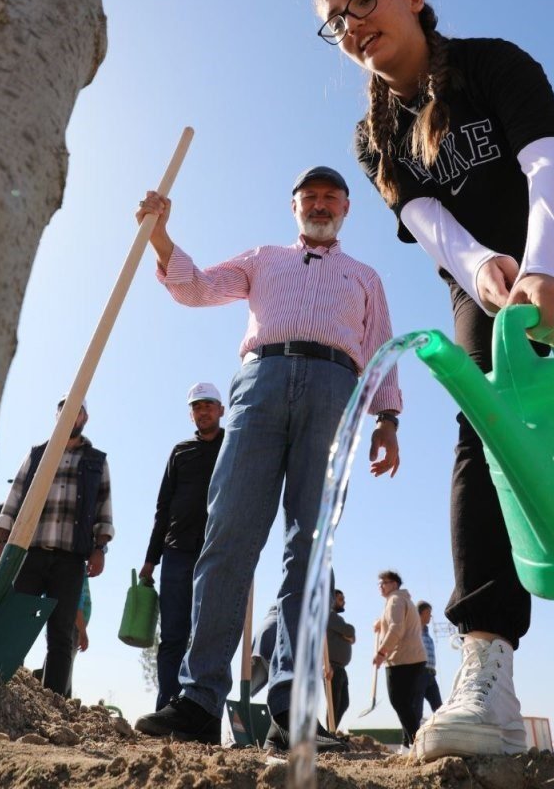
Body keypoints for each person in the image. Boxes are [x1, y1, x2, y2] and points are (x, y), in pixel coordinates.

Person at [314, 0, 554, 761]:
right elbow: (426, 220)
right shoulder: (375, 134)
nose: (352, 24)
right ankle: (486, 672)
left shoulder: (493, 63)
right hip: (482, 288)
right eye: (335, 20)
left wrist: (547, 265)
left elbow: (550, 159)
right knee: (481, 434)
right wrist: (483, 267)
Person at [133, 165, 402, 751]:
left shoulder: (365, 277)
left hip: (335, 388)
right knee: (228, 533)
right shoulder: (263, 259)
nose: (320, 204)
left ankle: (290, 715)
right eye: (310, 197)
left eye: (331, 197)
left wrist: (388, 419)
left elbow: (380, 345)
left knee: (309, 548)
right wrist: (160, 236)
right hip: (261, 382)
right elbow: (198, 287)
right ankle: (199, 701)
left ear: (346, 208)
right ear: (294, 206)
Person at [0, 396, 114, 695]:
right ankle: (2, 691)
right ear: (57, 415)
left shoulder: (96, 461)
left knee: (61, 632)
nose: (70, 415)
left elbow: (103, 508)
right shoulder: (37, 455)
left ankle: (54, 700)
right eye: (64, 409)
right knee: (16, 624)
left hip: (70, 559)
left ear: (84, 418)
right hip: (29, 553)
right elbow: (14, 499)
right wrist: (1, 542)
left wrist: (100, 548)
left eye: (77, 410)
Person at [139, 382, 225, 710]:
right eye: (196, 407)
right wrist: (151, 559)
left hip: (216, 552)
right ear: (191, 415)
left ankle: (200, 708)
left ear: (221, 410)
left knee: (209, 635)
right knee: (173, 635)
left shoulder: (233, 446)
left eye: (208, 405)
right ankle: (167, 707)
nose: (203, 412)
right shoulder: (180, 452)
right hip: (176, 554)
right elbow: (163, 507)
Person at [373, 570, 426, 745]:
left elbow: (396, 628)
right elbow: (395, 621)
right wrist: (381, 622)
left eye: (384, 582)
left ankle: (416, 742)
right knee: (406, 704)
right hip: (414, 658)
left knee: (399, 702)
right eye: (379, 583)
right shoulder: (403, 600)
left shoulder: (394, 600)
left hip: (401, 659)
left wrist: (382, 652)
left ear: (394, 584)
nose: (381, 586)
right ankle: (410, 743)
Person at [326, 589, 355, 729]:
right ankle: (329, 734)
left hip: (339, 667)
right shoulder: (329, 616)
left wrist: (349, 635)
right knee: (334, 704)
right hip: (331, 666)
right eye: (340, 599)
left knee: (343, 703)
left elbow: (351, 637)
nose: (344, 602)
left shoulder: (335, 618)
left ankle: (331, 732)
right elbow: (349, 631)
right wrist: (349, 633)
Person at [65, 567, 91, 698]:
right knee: (65, 663)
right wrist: (83, 632)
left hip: (74, 624)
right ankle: (61, 696)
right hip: (72, 625)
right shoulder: (76, 570)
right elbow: (76, 605)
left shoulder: (82, 572)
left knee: (65, 662)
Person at [416, 600, 442, 720]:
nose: (430, 616)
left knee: (439, 708)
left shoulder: (427, 634)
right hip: (419, 673)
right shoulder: (413, 632)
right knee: (416, 708)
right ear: (420, 614)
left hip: (431, 675)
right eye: (428, 613)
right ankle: (412, 732)